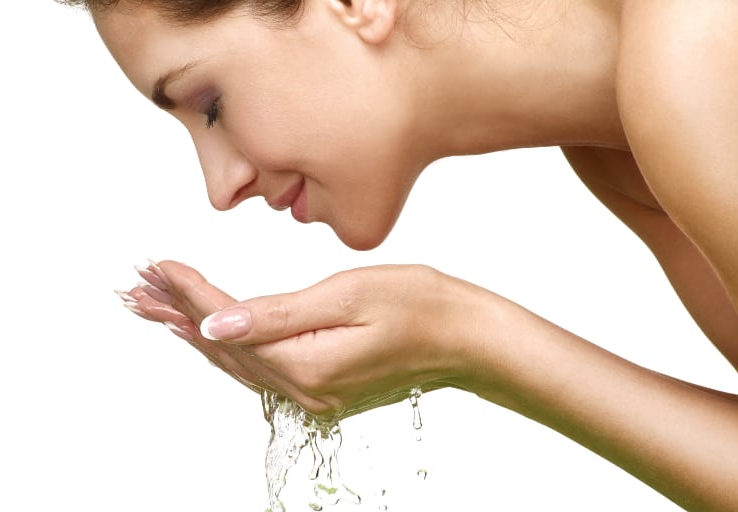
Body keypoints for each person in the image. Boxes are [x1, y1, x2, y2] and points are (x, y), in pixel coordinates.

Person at [69, 0, 737, 509]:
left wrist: (467, 338)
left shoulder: (692, 66)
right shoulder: (617, 156)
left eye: (210, 106)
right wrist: (463, 337)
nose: (220, 187)